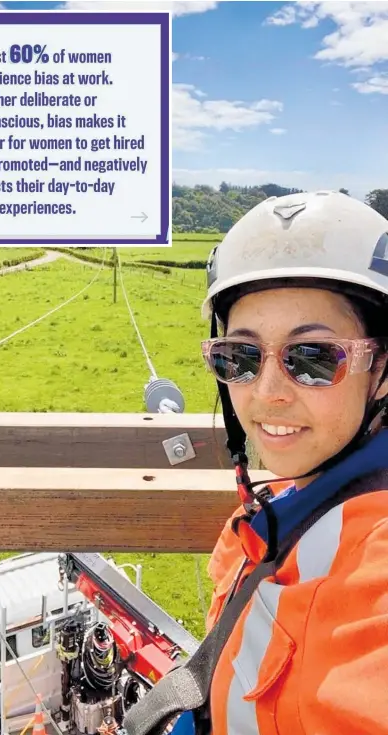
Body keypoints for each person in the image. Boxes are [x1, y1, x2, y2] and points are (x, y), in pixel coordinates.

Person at [125, 190, 388, 735]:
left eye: (313, 358)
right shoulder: (300, 506)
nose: (267, 393)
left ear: (382, 367)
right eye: (239, 357)